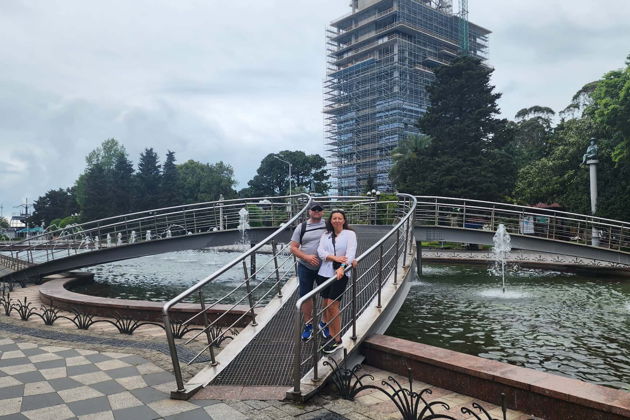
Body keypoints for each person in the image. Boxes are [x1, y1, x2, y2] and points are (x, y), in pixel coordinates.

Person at [316, 209, 357, 354]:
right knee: (326, 304)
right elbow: (320, 252)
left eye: (340, 218)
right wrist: (335, 258)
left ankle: (337, 339)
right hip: (324, 272)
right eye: (334, 218)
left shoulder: (350, 234)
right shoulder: (325, 235)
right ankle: (328, 330)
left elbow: (350, 253)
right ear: (331, 220)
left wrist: (342, 267)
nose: (337, 220)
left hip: (340, 273)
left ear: (344, 220)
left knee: (332, 305)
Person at [290, 201, 327, 341]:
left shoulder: (328, 225)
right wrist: (307, 257)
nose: (316, 211)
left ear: (323, 212)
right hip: (305, 266)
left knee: (327, 295)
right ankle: (308, 324)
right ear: (309, 211)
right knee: (305, 295)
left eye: (319, 209)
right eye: (314, 209)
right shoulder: (302, 227)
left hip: (325, 266)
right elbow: (293, 248)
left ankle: (324, 322)